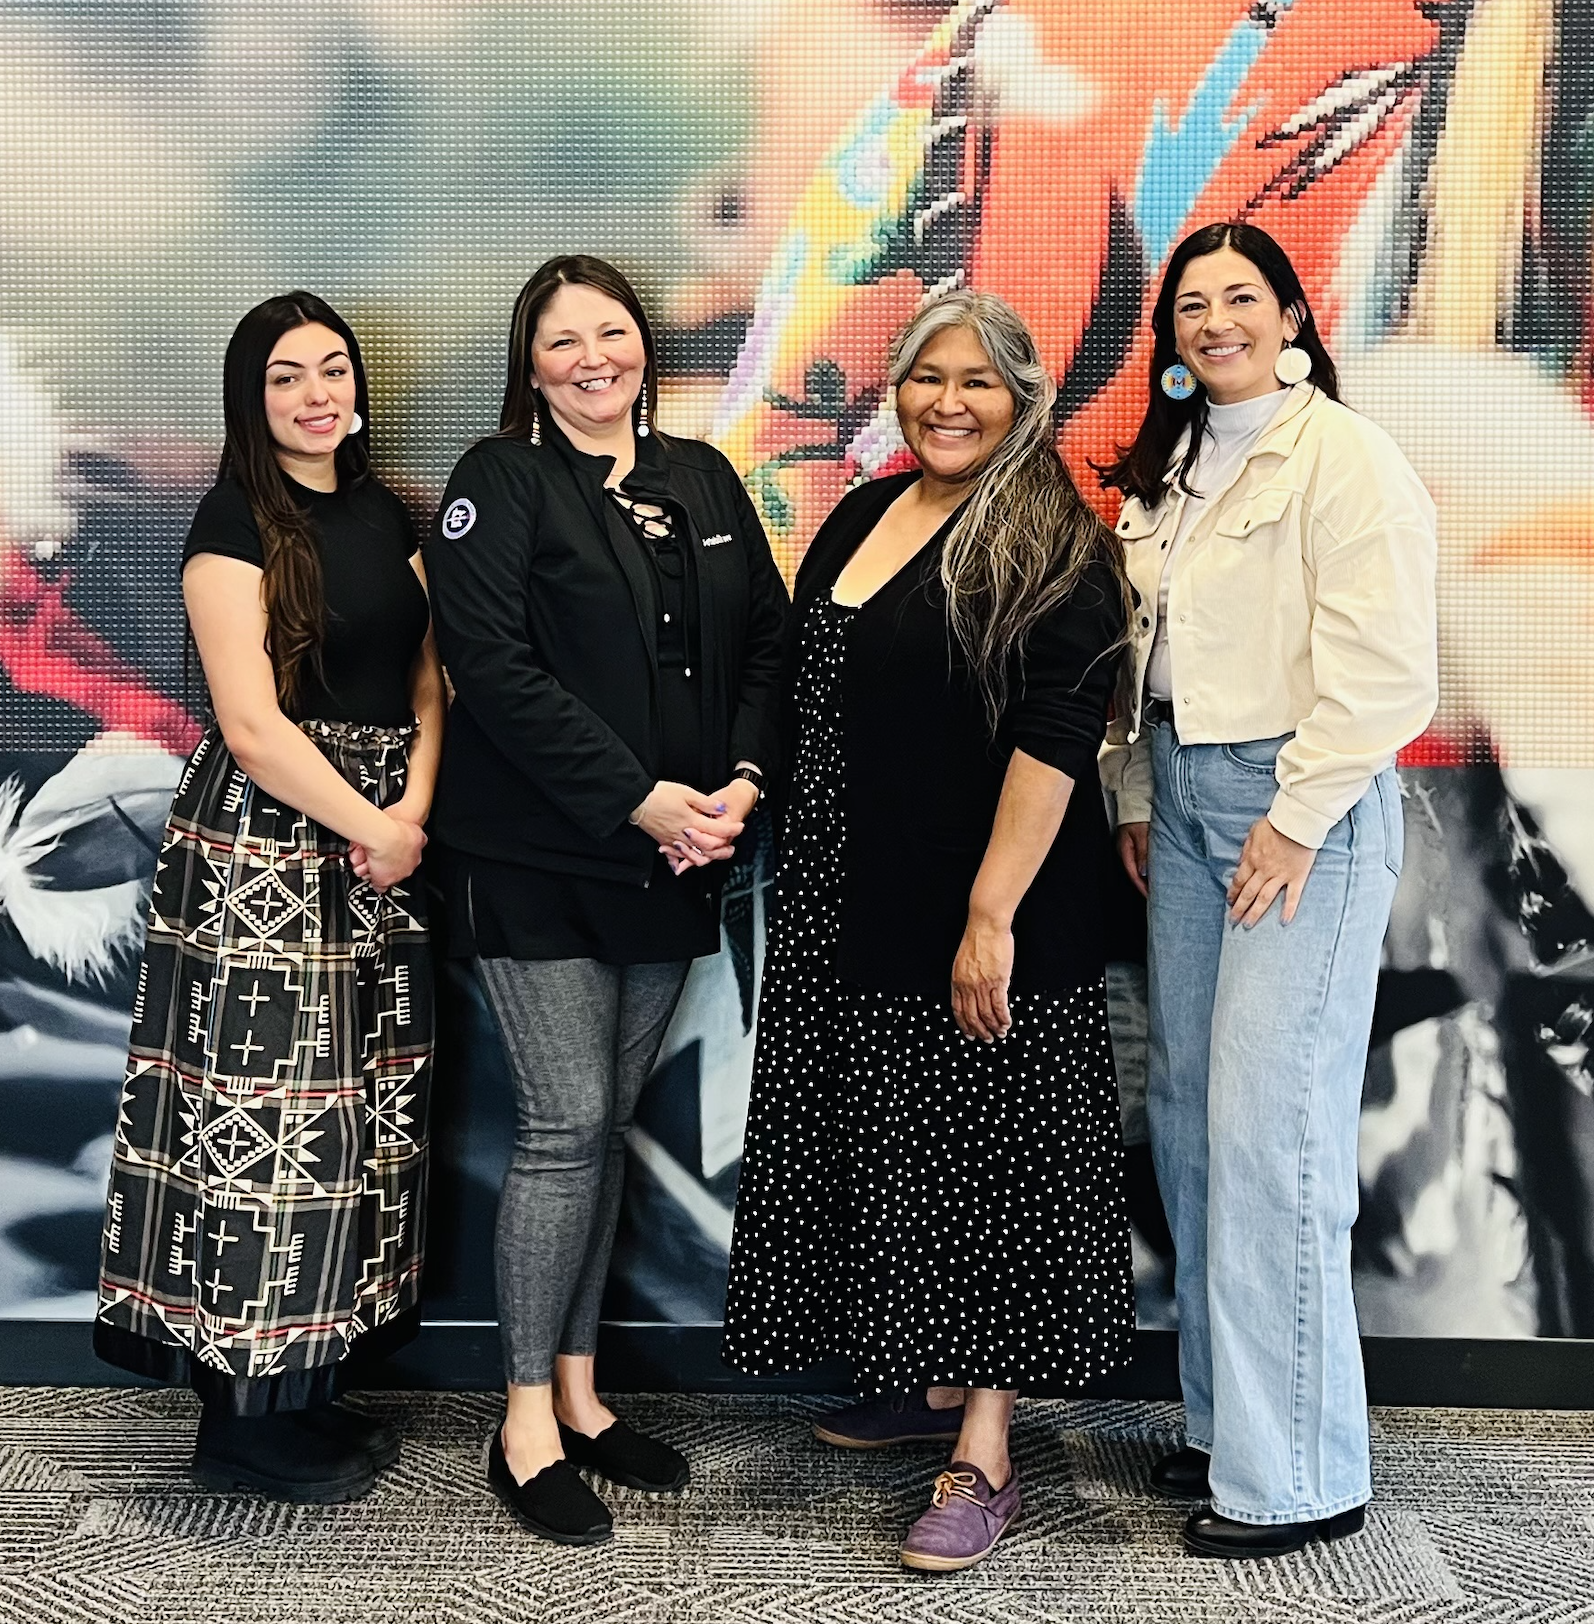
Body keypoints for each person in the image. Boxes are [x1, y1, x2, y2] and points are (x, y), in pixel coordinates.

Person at [723, 289, 1136, 1573]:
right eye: (924, 377)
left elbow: (1054, 740)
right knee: (896, 1150)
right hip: (853, 898)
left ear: (1024, 396)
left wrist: (989, 917)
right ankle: (923, 1383)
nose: (946, 402)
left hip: (987, 909)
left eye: (977, 381)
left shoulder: (1053, 539)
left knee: (994, 1170)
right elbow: (793, 671)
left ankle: (987, 1453)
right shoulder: (862, 510)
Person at [424, 255, 790, 1546]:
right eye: (563, 339)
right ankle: (523, 1418)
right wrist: (638, 797)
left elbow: (765, 645)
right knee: (564, 1126)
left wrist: (740, 780)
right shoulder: (499, 483)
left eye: (613, 332)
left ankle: (582, 1395)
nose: (594, 356)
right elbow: (492, 669)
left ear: (641, 343)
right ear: (529, 366)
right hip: (545, 860)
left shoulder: (699, 476)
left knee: (605, 1127)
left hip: (681, 859)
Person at [1099, 221, 1438, 1559]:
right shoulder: (1170, 464)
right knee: (1186, 1120)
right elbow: (1141, 654)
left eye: (1241, 298)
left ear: (1291, 315)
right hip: (1180, 801)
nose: (1214, 321)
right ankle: (1226, 1430)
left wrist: (1294, 823)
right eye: (1191, 304)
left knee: (1265, 1130)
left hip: (1300, 807)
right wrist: (1135, 796)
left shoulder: (1344, 458)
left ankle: (1300, 1474)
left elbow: (1384, 671)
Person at [95, 293, 443, 1504]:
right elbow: (249, 725)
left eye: (332, 369)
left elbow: (429, 682)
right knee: (263, 1133)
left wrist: (411, 817)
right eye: (286, 375)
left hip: (383, 844)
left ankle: (307, 1389)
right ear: (252, 398)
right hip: (265, 853)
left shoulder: (383, 509)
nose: (315, 394)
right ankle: (238, 1427)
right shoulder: (231, 518)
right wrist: (375, 825)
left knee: (357, 1123)